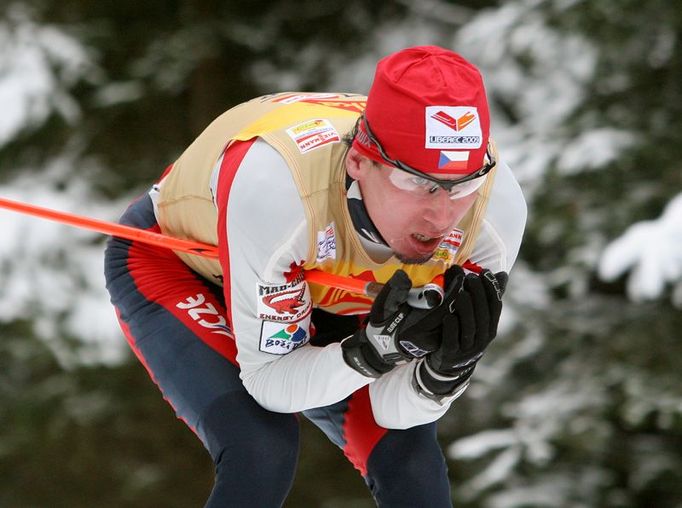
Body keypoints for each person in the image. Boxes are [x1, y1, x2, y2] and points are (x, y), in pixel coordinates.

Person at [104, 45, 527, 507]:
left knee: (413, 469)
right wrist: (368, 354)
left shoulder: (492, 214)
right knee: (260, 448)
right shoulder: (279, 191)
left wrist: (445, 373)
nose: (443, 214)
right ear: (359, 162)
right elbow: (271, 383)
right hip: (183, 262)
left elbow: (396, 410)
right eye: (418, 183)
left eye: (461, 186)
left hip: (323, 285)